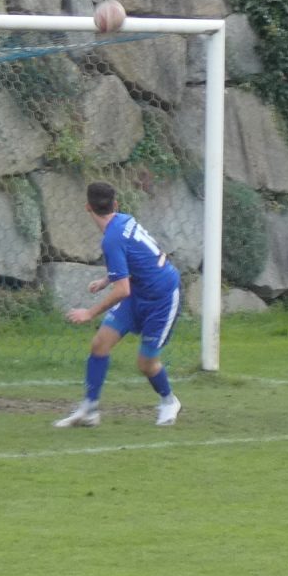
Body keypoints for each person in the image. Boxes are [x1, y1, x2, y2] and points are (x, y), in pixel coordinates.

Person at [55, 181, 183, 428]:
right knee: (100, 344)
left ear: (87, 207)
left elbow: (122, 290)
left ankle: (169, 401)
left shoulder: (111, 239)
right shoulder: (125, 220)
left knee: (146, 363)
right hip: (138, 292)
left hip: (162, 298)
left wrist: (89, 313)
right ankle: (90, 410)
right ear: (116, 204)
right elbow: (139, 258)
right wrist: (107, 280)